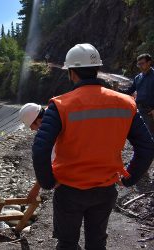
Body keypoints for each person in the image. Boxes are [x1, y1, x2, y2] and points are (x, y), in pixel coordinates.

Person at [32, 43, 154, 250]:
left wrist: (48, 182)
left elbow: (40, 148)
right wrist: (130, 177)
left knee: (68, 243)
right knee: (97, 243)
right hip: (105, 189)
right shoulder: (126, 103)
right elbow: (147, 147)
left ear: (72, 73)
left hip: (69, 190)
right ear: (97, 69)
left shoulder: (60, 105)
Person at [119, 53, 154, 135]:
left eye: (142, 63)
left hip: (150, 111)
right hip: (138, 110)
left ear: (149, 62)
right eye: (138, 64)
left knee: (151, 134)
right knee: (142, 134)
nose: (140, 66)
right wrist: (117, 90)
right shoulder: (138, 77)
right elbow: (129, 91)